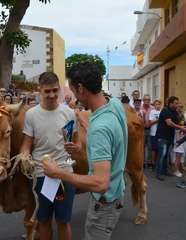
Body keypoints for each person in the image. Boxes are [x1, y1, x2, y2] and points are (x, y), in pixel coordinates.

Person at [43, 62, 128, 240]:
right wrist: (87, 123)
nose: (73, 95)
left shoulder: (100, 129)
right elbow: (109, 137)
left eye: (73, 89)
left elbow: (100, 183)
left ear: (80, 88)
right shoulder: (115, 105)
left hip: (104, 203)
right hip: (118, 191)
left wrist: (58, 172)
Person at [20, 72, 78, 240]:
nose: (52, 95)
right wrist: (24, 155)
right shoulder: (31, 114)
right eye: (47, 91)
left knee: (63, 221)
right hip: (42, 176)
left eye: (55, 90)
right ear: (40, 90)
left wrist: (76, 147)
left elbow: (76, 141)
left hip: (65, 173)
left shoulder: (69, 113)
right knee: (44, 220)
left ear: (59, 89)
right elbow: (27, 143)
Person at [155, 96, 186, 181]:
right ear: (170, 103)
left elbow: (178, 121)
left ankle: (164, 171)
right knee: (162, 155)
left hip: (169, 136)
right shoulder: (165, 110)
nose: (177, 105)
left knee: (166, 155)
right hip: (162, 136)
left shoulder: (175, 112)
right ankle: (158, 173)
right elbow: (169, 123)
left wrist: (183, 123)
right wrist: (181, 127)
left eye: (177, 103)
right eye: (176, 103)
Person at [149, 99, 162, 169]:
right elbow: (150, 123)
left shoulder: (162, 112)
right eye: (156, 104)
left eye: (159, 104)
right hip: (153, 133)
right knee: (154, 149)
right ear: (154, 105)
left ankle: (158, 163)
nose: (157, 105)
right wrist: (157, 120)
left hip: (160, 133)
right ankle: (153, 163)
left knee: (160, 149)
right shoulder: (152, 112)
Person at [142, 94, 153, 168]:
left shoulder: (152, 108)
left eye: (148, 100)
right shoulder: (139, 107)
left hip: (150, 129)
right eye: (145, 99)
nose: (147, 101)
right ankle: (142, 162)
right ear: (143, 100)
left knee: (150, 147)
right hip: (142, 130)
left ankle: (149, 162)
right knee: (142, 147)